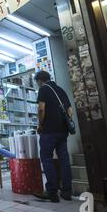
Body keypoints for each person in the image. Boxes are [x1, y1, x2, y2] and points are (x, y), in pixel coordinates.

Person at [32, 71, 73, 203]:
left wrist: (40, 124)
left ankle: (52, 192)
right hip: (63, 131)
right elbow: (70, 110)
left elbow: (41, 109)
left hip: (49, 130)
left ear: (39, 80)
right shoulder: (60, 89)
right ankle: (66, 192)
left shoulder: (43, 89)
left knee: (46, 158)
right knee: (64, 159)